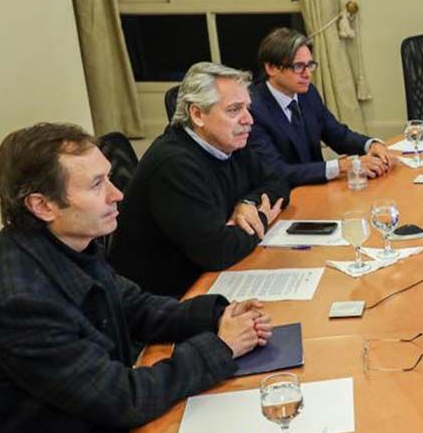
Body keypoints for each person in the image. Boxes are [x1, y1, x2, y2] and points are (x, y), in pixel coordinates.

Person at [0, 123, 272, 433]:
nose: (117, 194)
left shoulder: (66, 244)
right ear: (42, 205)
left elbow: (134, 306)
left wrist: (215, 315)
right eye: (97, 185)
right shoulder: (19, 301)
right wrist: (219, 347)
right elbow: (121, 398)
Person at [109, 62, 291, 297]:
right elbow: (218, 251)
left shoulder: (230, 142)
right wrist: (263, 216)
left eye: (247, 108)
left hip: (210, 279)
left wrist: (247, 204)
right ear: (197, 114)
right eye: (234, 110)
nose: (249, 120)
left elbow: (279, 182)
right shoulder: (174, 163)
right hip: (167, 301)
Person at [248, 28, 393, 187]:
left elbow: (338, 135)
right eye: (298, 66)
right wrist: (342, 166)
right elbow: (278, 171)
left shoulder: (308, 93)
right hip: (283, 196)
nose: (307, 74)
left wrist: (371, 145)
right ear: (271, 68)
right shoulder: (253, 109)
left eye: (310, 65)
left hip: (318, 188)